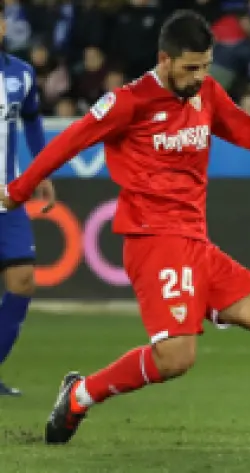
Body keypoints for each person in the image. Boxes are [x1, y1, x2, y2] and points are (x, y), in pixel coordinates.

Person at [0, 10, 250, 448]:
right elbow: (71, 141)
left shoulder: (207, 92)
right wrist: (18, 189)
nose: (200, 77)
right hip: (153, 241)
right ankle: (81, 394)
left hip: (196, 241)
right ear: (164, 60)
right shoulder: (129, 101)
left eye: (205, 66)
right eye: (190, 68)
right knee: (175, 358)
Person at [0, 3, 56, 396]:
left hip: (7, 197)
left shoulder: (21, 74)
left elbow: (32, 119)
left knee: (22, 281)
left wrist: (42, 169)